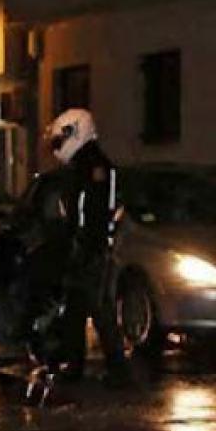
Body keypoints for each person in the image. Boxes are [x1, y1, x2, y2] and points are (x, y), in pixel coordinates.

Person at [44, 108, 130, 385]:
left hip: (94, 250)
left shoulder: (97, 168)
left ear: (76, 133)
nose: (58, 146)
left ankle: (118, 371)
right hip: (81, 248)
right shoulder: (79, 167)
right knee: (75, 309)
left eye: (60, 139)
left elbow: (95, 213)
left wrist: (89, 244)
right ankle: (74, 366)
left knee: (100, 310)